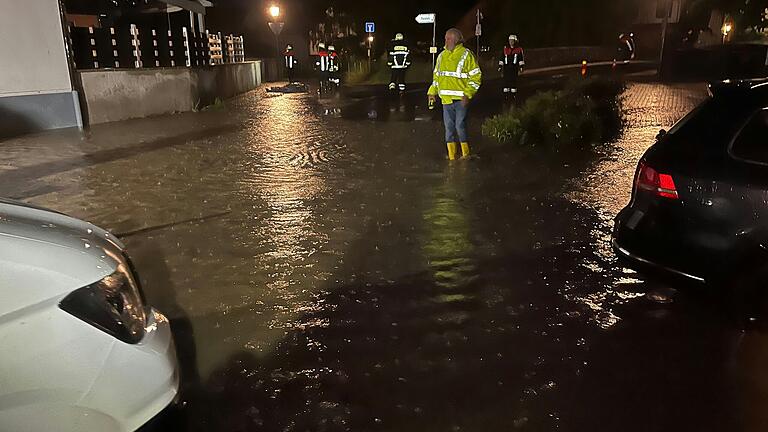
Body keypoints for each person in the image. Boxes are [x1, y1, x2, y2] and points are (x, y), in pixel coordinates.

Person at [427, 28, 482, 161]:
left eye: (449, 38)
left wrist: (468, 94)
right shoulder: (441, 56)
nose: (446, 41)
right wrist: (432, 92)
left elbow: (476, 77)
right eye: (446, 38)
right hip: (446, 100)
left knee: (459, 126)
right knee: (449, 129)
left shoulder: (466, 55)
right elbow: (437, 77)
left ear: (457, 39)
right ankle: (452, 157)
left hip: (460, 100)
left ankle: (465, 154)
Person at [498, 34, 524, 100]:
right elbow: (502, 58)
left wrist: (521, 67)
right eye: (510, 41)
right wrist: (500, 66)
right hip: (506, 68)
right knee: (506, 81)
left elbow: (521, 59)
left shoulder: (518, 49)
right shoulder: (505, 49)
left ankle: (513, 95)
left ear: (515, 41)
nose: (511, 42)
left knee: (513, 81)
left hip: (514, 68)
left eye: (512, 41)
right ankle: (505, 95)